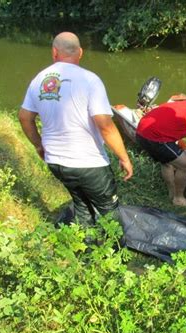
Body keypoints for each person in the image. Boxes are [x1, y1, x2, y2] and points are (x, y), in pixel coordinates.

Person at [18, 32, 133, 226]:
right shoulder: (90, 80)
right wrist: (124, 158)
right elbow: (105, 126)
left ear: (54, 52)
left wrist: (39, 145)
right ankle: (115, 252)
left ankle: (84, 249)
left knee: (81, 204)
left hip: (56, 162)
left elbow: (24, 117)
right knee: (109, 210)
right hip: (89, 163)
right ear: (80, 52)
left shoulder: (39, 80)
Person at [135, 92, 186, 206]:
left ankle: (172, 193)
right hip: (154, 137)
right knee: (185, 165)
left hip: (141, 131)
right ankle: (178, 199)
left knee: (167, 162)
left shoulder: (184, 103)